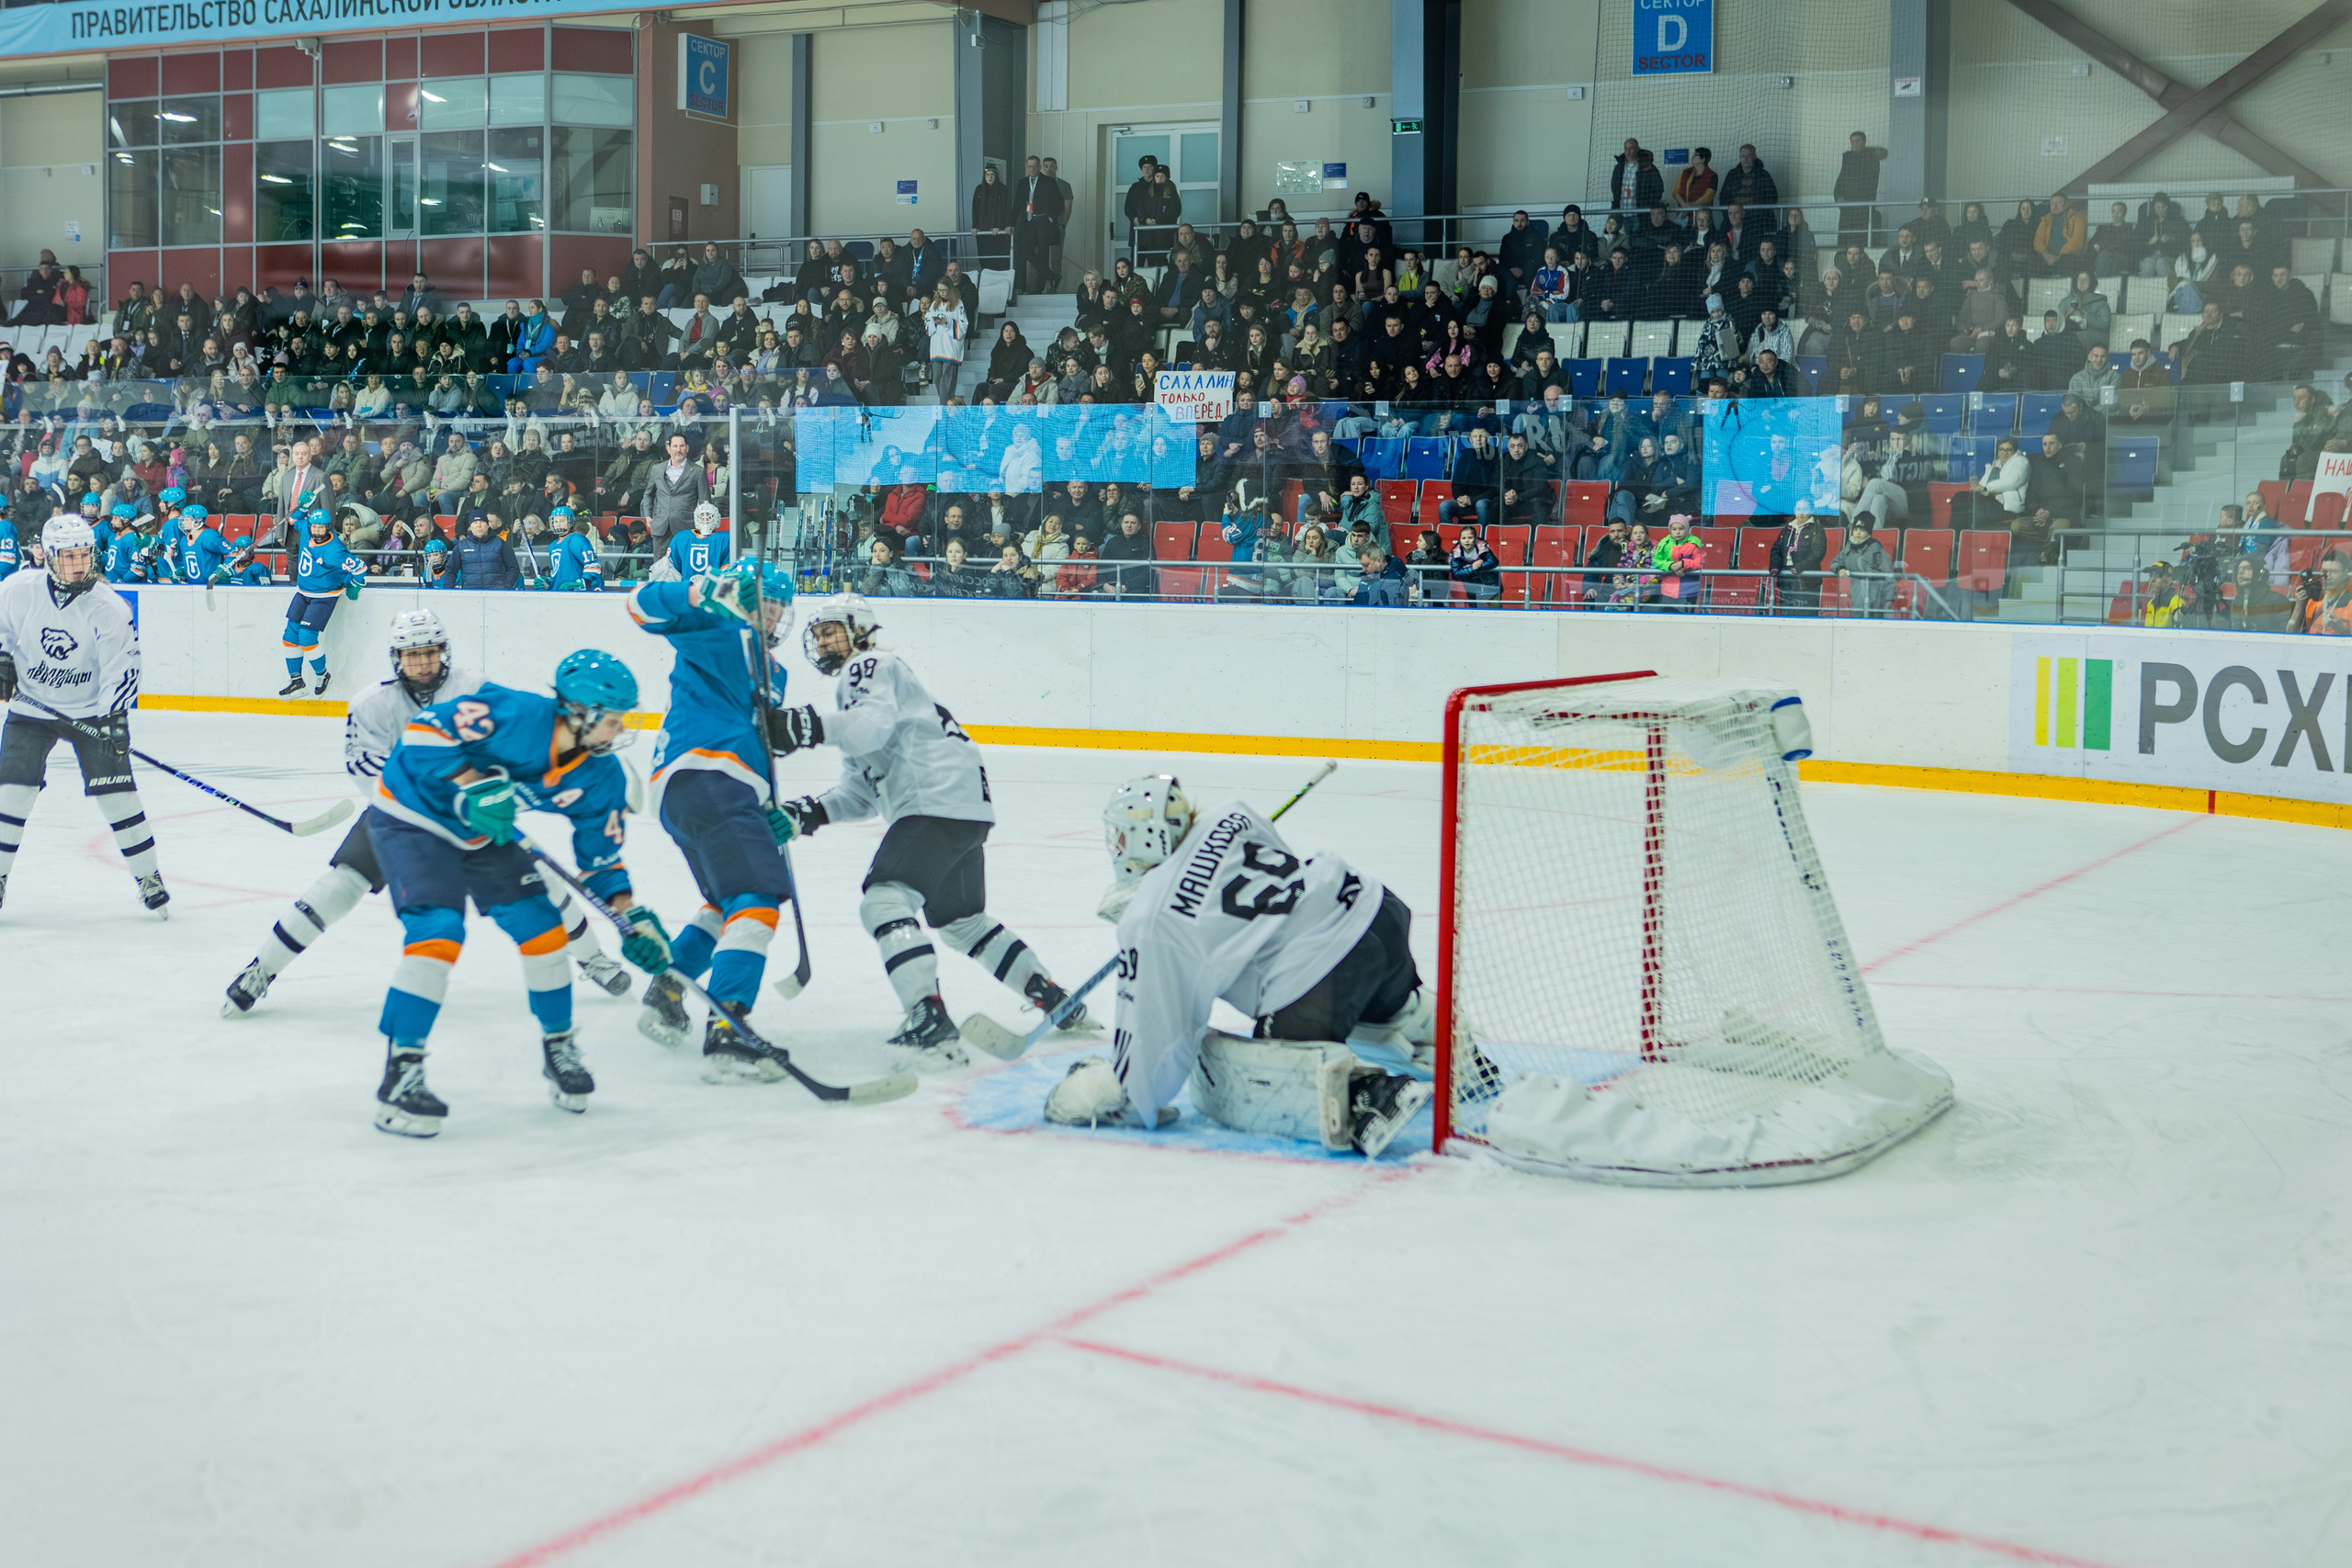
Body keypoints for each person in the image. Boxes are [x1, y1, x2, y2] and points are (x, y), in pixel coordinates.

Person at [222, 611, 632, 1017]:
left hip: (475, 818)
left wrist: (485, 794)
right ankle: (262, 969)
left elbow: (507, 745)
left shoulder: (476, 688)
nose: (421, 662)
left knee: (544, 885)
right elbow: (365, 768)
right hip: (403, 818)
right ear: (396, 657)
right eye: (411, 654)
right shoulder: (371, 704)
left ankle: (593, 959)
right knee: (340, 886)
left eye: (429, 652)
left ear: (444, 652)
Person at [763, 593, 1090, 1065]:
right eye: (816, 634)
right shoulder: (865, 687)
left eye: (831, 629)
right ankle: (1050, 995)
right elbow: (860, 791)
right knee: (963, 922)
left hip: (932, 802)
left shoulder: (869, 664)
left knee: (884, 901)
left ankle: (927, 1014)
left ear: (859, 628)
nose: (821, 640)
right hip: (963, 809)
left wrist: (803, 726)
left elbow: (867, 729)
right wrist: (807, 813)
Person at [1040, 775, 1438, 1158]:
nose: (1118, 845)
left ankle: (1369, 1094)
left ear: (1150, 835)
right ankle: (1444, 1043)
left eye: (1123, 834)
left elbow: (1159, 1035)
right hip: (1377, 911)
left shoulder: (1150, 921)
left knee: (1246, 1077)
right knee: (1380, 1005)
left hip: (1325, 972)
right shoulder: (1232, 815)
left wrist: (1121, 1095)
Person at [361, 649, 661, 1136]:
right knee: (437, 931)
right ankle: (402, 1071)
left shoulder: (600, 776)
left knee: (543, 929)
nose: (617, 730)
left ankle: (559, 1045)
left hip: (485, 833)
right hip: (413, 818)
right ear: (577, 711)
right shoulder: (515, 713)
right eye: (610, 719)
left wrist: (631, 916)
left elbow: (601, 861)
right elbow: (424, 732)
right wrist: (471, 784)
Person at [626, 559, 804, 1078]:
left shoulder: (778, 672)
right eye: (764, 608)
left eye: (777, 612)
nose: (771, 621)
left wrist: (768, 806)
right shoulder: (715, 622)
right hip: (708, 776)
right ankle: (729, 1029)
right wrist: (697, 591)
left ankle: (670, 986)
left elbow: (760, 742)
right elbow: (639, 605)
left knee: (725, 904)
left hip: (708, 791)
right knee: (755, 901)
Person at [0, 515, 167, 914]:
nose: (79, 564)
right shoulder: (17, 589)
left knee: (119, 797)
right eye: (69, 556)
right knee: (11, 796)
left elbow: (122, 667)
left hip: (91, 712)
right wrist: (2, 659)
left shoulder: (109, 606)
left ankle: (148, 876)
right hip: (31, 709)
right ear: (48, 556)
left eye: (85, 554)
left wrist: (114, 718)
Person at [277, 509, 366, 697]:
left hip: (324, 596)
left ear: (329, 527)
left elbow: (360, 568)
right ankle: (297, 682)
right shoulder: (306, 529)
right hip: (302, 592)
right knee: (289, 637)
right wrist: (302, 506)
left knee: (307, 637)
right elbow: (293, 519)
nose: (317, 531)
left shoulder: (334, 550)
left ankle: (323, 675)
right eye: (315, 527)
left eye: (321, 528)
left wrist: (355, 584)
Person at [1829, 516, 1895, 616]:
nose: (1858, 533)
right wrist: (1840, 569)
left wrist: (1889, 599)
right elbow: (1835, 562)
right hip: (1857, 593)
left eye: (1862, 530)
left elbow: (1888, 574)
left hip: (1876, 594)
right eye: (1855, 529)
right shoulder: (1849, 546)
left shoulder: (1876, 548)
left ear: (1868, 532)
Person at [2290, 549, 2352, 636]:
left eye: (2334, 571)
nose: (2327, 576)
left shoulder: (2350, 603)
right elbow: (2290, 633)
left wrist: (2341, 627)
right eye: (2324, 572)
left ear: (2345, 573)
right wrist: (2299, 606)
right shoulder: (2314, 600)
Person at [667, 500, 733, 580]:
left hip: (714, 589)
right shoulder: (681, 538)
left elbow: (728, 571)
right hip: (687, 589)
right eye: (702, 516)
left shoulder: (726, 539)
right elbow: (672, 570)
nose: (705, 519)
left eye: (709, 516)